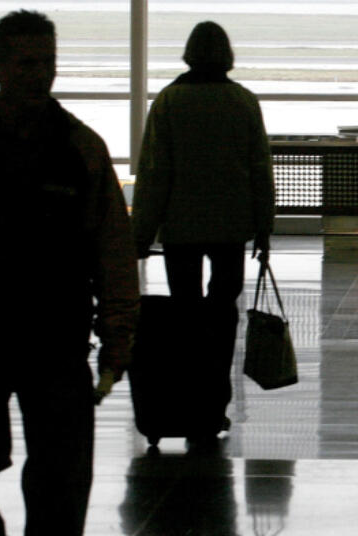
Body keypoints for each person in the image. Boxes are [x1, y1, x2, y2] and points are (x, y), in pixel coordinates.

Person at [0, 10, 139, 536]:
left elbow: (112, 247)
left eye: (47, 61)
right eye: (26, 63)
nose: (40, 74)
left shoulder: (79, 149)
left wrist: (118, 333)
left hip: (55, 340)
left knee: (62, 478)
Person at [132, 21, 276, 436]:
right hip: (230, 226)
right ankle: (214, 402)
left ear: (189, 53)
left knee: (185, 313)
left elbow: (155, 172)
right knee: (221, 315)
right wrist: (264, 227)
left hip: (181, 227)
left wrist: (141, 233)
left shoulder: (170, 101)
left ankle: (186, 399)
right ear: (227, 55)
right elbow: (259, 169)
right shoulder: (243, 101)